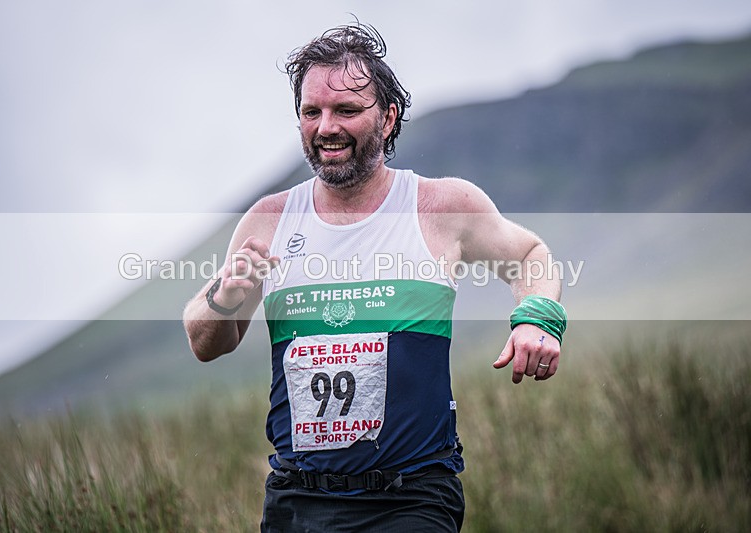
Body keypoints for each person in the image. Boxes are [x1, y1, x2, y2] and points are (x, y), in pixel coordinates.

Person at [183, 21, 566, 533]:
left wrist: (537, 320)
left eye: (346, 110)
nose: (326, 127)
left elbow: (530, 256)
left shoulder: (440, 206)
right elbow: (207, 340)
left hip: (410, 500)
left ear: (387, 118)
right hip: (298, 500)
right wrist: (225, 296)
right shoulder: (271, 219)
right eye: (311, 112)